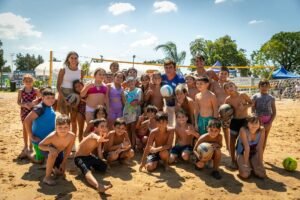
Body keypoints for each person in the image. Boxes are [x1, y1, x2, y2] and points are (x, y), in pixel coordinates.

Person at [74, 118, 112, 193]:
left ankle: (89, 167)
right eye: (102, 126)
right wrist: (99, 138)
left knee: (104, 167)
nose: (104, 128)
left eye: (105, 126)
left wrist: (103, 160)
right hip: (79, 158)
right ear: (95, 128)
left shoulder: (101, 137)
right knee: (87, 171)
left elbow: (99, 151)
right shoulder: (92, 134)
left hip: (89, 156)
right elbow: (94, 137)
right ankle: (99, 186)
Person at [38, 115, 76, 185]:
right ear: (56, 127)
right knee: (53, 154)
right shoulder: (52, 136)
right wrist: (49, 148)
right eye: (60, 127)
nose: (63, 130)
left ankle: (51, 167)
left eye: (65, 127)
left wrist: (64, 162)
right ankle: (47, 177)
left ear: (69, 127)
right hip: (46, 150)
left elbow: (68, 150)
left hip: (59, 153)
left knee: (60, 173)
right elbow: (40, 145)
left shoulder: (72, 136)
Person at [224, 81, 252, 168]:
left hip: (244, 121)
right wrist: (225, 117)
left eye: (231, 86)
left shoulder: (243, 95)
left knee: (245, 141)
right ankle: (233, 160)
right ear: (226, 91)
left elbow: (252, 103)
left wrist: (244, 107)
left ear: (235, 86)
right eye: (227, 88)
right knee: (232, 142)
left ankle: (247, 160)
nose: (230, 88)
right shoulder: (227, 100)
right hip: (234, 121)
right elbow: (226, 112)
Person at [24, 89, 56, 163]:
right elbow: (27, 121)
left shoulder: (50, 106)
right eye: (48, 98)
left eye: (52, 98)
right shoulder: (40, 108)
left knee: (52, 158)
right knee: (40, 161)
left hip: (49, 139)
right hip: (39, 140)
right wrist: (31, 136)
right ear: (42, 98)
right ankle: (27, 153)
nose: (51, 100)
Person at [56, 51, 83, 134]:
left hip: (75, 96)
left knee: (73, 120)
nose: (74, 59)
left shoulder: (81, 72)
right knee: (64, 120)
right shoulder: (63, 70)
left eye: (75, 58)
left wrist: (79, 98)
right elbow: (58, 86)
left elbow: (80, 86)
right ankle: (64, 141)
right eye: (71, 58)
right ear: (68, 59)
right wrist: (64, 98)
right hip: (63, 95)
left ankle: (73, 142)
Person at [236, 114, 266, 179]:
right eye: (251, 123)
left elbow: (260, 148)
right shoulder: (243, 130)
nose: (254, 125)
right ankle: (246, 164)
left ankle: (252, 164)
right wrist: (245, 164)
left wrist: (260, 163)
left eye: (256, 123)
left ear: (259, 124)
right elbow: (246, 148)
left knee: (262, 174)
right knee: (245, 174)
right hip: (242, 153)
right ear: (247, 124)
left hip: (253, 153)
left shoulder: (262, 130)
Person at [81, 68, 109, 135]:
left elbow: (106, 98)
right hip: (90, 108)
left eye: (103, 74)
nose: (101, 76)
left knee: (100, 128)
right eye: (99, 74)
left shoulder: (105, 86)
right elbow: (82, 95)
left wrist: (107, 108)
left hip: (100, 111)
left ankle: (98, 144)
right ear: (95, 75)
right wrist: (88, 87)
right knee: (90, 127)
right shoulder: (89, 84)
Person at [17, 74, 39, 158]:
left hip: (34, 111)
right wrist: (25, 105)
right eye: (26, 81)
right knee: (25, 128)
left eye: (30, 81)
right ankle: (25, 145)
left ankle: (31, 146)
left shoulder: (36, 90)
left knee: (32, 128)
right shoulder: (21, 91)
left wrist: (33, 103)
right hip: (24, 111)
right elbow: (18, 102)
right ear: (23, 82)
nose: (28, 82)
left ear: (33, 81)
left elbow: (40, 99)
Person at [210, 66, 230, 150]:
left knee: (226, 129)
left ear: (228, 75)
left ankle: (228, 147)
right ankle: (215, 145)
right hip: (216, 110)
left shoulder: (230, 84)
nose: (223, 75)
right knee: (215, 129)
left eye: (225, 74)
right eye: (221, 73)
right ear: (218, 74)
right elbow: (210, 95)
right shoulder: (214, 84)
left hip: (226, 111)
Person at [252, 80, 276, 149]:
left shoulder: (271, 98)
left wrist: (270, 123)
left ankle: (261, 154)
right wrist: (257, 120)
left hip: (268, 121)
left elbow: (274, 112)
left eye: (266, 86)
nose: (264, 87)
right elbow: (252, 109)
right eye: (262, 86)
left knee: (264, 138)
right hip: (257, 121)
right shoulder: (255, 96)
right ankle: (254, 154)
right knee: (256, 137)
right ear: (259, 87)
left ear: (269, 87)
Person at [161, 59, 185, 127]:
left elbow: (182, 95)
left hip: (177, 106)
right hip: (166, 105)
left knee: (176, 126)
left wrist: (172, 97)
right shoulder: (162, 77)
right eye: (166, 67)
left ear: (175, 68)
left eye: (170, 67)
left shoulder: (180, 79)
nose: (168, 69)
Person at [123, 76, 142, 148]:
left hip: (135, 111)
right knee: (127, 129)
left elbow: (141, 101)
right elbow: (125, 102)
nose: (131, 83)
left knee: (133, 129)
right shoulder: (125, 91)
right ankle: (129, 145)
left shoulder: (139, 90)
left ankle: (133, 146)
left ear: (135, 82)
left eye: (132, 81)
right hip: (127, 111)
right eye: (129, 81)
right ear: (127, 83)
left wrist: (136, 102)